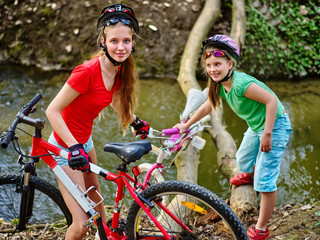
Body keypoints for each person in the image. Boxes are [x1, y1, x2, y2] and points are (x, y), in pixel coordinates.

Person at [46, 4, 149, 240]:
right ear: (103, 41)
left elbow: (109, 96)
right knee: (82, 223)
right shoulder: (87, 71)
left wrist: (134, 121)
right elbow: (53, 111)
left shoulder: (119, 68)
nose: (121, 47)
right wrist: (73, 148)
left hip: (84, 142)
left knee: (97, 201)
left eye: (126, 41)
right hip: (65, 148)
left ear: (133, 42)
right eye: (114, 41)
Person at [174, 34, 292, 240]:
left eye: (217, 64)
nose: (212, 69)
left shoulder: (240, 84)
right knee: (244, 158)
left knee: (265, 181)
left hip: (275, 125)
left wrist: (267, 134)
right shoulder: (219, 84)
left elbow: (272, 101)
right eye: (209, 65)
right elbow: (208, 106)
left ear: (230, 64)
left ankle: (262, 229)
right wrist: (186, 125)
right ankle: (250, 175)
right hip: (256, 125)